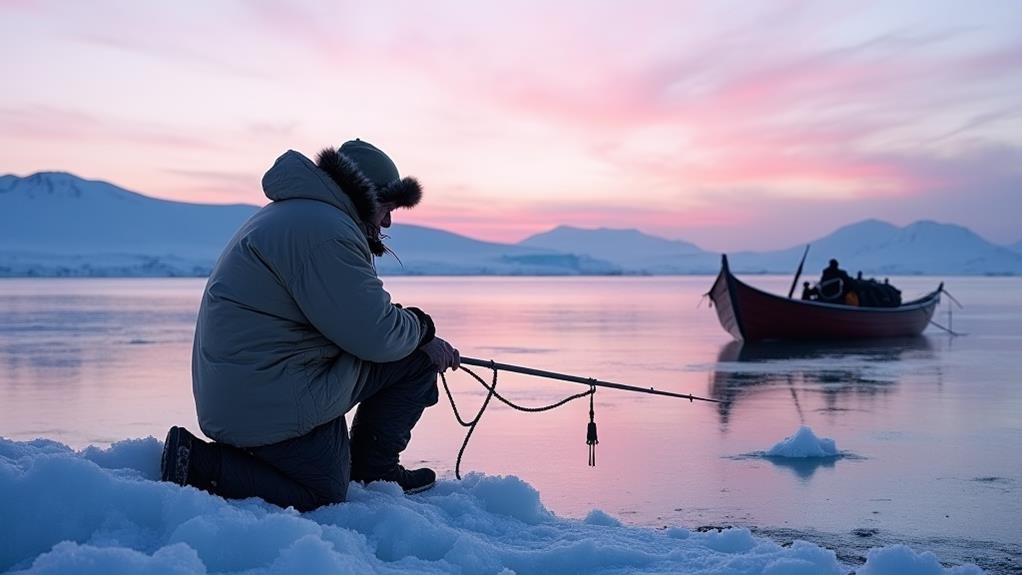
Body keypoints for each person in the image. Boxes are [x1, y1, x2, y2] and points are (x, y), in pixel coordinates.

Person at [160, 139, 460, 511]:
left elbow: (354, 316)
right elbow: (376, 335)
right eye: (386, 207)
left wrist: (416, 337)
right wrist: (422, 327)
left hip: (258, 384)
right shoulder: (325, 231)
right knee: (323, 492)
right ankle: (198, 464)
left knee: (416, 356)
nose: (387, 222)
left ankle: (374, 472)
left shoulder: (301, 216)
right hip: (266, 398)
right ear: (361, 194)